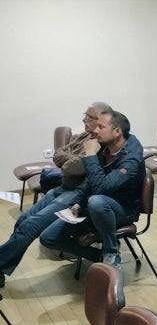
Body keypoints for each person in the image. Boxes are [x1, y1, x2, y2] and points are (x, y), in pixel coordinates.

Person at [0, 102, 112, 289]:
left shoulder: (100, 145)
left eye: (89, 117)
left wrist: (68, 158)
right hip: (63, 186)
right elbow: (58, 154)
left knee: (30, 225)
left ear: (102, 120)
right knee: (23, 220)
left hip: (76, 194)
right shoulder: (85, 136)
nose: (84, 119)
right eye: (85, 115)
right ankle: (2, 267)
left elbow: (69, 166)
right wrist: (69, 158)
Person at [40, 110, 145, 268]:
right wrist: (79, 203)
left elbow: (101, 187)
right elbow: (90, 182)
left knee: (97, 201)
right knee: (48, 237)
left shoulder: (131, 160)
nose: (95, 130)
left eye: (101, 127)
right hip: (96, 207)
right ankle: (98, 257)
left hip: (123, 209)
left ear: (117, 132)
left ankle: (111, 251)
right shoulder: (105, 148)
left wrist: (90, 155)